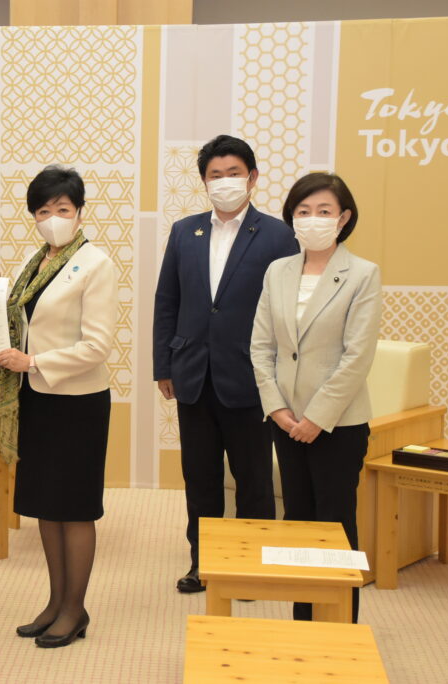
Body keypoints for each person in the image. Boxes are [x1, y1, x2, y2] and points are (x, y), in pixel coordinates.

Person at [152, 134, 299, 594]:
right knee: (200, 478)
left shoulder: (278, 235)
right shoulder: (185, 232)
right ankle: (203, 562)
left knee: (253, 478)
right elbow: (167, 300)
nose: (224, 182)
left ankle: (251, 566)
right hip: (193, 374)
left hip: (252, 377)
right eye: (215, 175)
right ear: (204, 182)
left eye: (233, 173)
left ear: (252, 178)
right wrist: (163, 365)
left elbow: (288, 310)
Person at [0, 165, 118, 648]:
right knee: (46, 504)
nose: (53, 218)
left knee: (75, 508)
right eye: (43, 211)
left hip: (78, 402)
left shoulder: (96, 264)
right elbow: (17, 317)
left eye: (62, 208)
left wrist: (34, 362)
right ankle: (55, 601)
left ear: (79, 212)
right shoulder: (34, 261)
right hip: (37, 399)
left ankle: (75, 609)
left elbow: (97, 346)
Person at [250, 172, 381, 623]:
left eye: (324, 211)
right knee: (299, 522)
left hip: (338, 424)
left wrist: (317, 418)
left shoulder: (362, 274)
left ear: (343, 218)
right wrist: (277, 409)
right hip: (286, 421)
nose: (312, 219)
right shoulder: (278, 271)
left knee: (336, 524)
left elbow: (357, 356)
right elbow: (261, 346)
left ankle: (340, 627)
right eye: (303, 211)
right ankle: (304, 622)